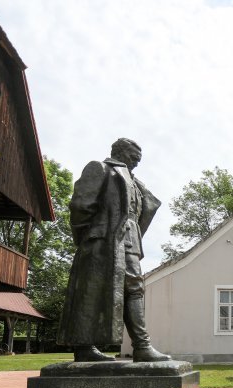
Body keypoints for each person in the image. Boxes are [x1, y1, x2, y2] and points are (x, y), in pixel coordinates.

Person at [58, 138, 171, 362]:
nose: (136, 163)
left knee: (135, 289)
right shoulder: (100, 168)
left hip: (130, 241)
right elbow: (81, 206)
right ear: (120, 152)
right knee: (91, 290)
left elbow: (142, 211)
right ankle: (84, 347)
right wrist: (90, 236)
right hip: (102, 240)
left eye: (139, 159)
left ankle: (141, 345)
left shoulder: (137, 183)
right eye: (133, 157)